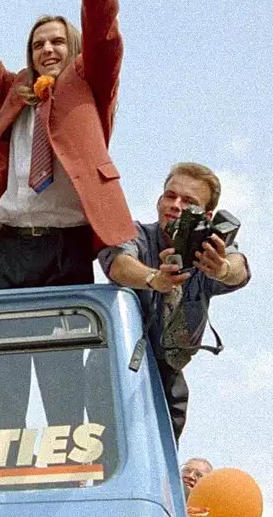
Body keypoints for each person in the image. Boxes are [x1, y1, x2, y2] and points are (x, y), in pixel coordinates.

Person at [0, 0, 137, 291]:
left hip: (68, 245)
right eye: (38, 45)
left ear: (73, 49)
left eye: (57, 42)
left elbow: (104, 34)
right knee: (2, 345)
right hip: (10, 246)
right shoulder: (18, 91)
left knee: (62, 347)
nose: (47, 49)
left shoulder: (90, 84)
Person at [101, 162, 251, 441]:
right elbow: (118, 264)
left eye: (189, 203)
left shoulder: (207, 255)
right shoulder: (137, 236)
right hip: (118, 370)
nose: (176, 205)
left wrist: (221, 270)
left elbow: (239, 267)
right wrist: (153, 278)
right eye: (170, 196)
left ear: (206, 215)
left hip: (169, 377)